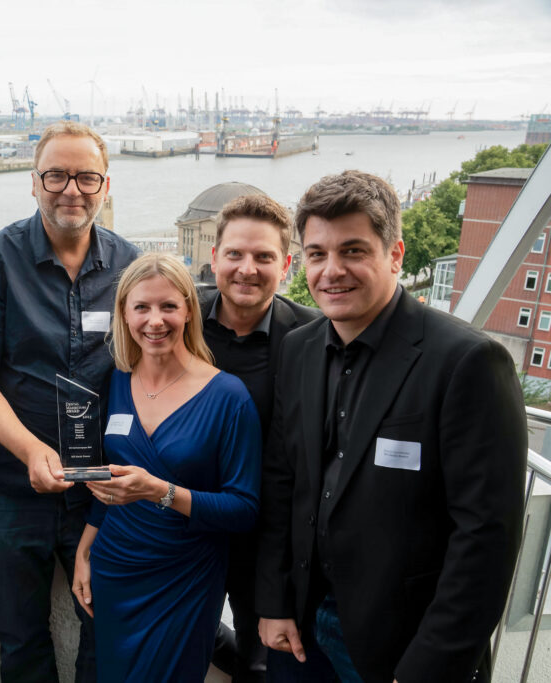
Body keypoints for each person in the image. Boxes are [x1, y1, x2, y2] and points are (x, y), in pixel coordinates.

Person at [256, 171, 527, 683]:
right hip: (302, 630)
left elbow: (486, 537)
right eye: (316, 254)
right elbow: (282, 482)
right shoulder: (299, 348)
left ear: (395, 254)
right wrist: (274, 601)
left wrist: (429, 667)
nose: (331, 271)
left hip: (402, 645)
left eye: (353, 250)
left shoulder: (466, 361)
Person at [0, 121, 139, 682]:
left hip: (102, 487)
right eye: (55, 175)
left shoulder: (131, 265)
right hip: (10, 486)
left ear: (105, 185)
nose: (70, 190)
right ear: (33, 183)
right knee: (21, 637)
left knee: (108, 623)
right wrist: (31, 451)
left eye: (85, 177)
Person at [71, 252, 260, 682]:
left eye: (168, 306)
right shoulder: (118, 378)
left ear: (189, 310)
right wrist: (85, 549)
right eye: (142, 307)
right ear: (124, 313)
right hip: (115, 565)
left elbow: (244, 509)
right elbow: (114, 477)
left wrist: (160, 491)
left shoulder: (229, 397)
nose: (155, 321)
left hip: (186, 576)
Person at [198, 194, 326, 683]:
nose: (246, 269)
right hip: (189, 521)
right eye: (234, 254)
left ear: (287, 264)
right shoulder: (176, 319)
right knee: (186, 635)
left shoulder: (315, 336)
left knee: (262, 660)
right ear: (214, 258)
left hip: (269, 537)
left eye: (263, 257)